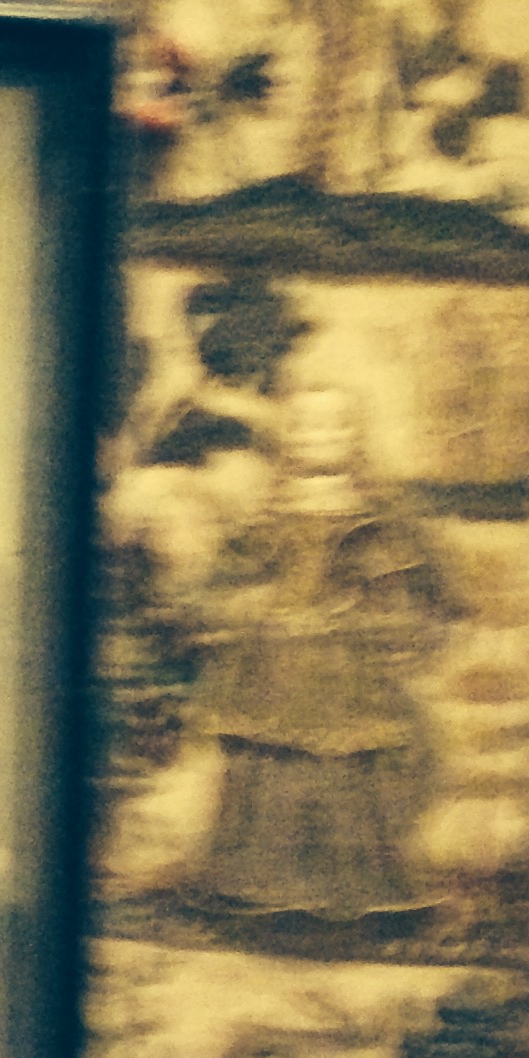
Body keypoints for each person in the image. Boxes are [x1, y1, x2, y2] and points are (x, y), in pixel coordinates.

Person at [187, 384, 445, 926]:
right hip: (272, 667)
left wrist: (369, 617)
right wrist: (254, 606)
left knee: (344, 775)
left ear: (353, 436)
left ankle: (352, 890)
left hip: (346, 669)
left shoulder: (376, 515)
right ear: (289, 436)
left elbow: (405, 594)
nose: (317, 437)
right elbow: (230, 581)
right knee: (269, 771)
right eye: (304, 425)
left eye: (332, 425)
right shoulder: (268, 514)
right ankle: (255, 884)